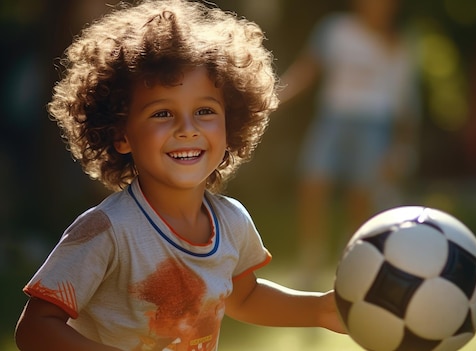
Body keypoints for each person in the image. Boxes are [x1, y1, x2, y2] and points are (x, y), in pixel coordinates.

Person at [14, 1, 344, 350]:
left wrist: (320, 309)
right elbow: (35, 328)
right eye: (162, 113)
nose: (187, 129)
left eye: (204, 111)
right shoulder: (106, 231)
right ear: (121, 135)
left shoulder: (232, 222)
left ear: (231, 125)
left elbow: (245, 298)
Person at [278, 0, 419, 282]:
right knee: (312, 181)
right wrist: (274, 98)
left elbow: (406, 103)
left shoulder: (401, 46)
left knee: (360, 197)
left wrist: (403, 148)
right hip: (333, 119)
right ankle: (312, 257)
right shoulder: (335, 30)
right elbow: (307, 70)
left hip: (374, 126)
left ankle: (352, 262)